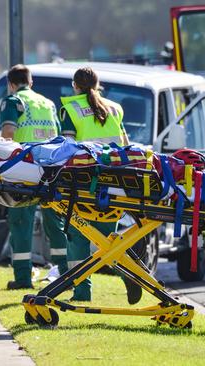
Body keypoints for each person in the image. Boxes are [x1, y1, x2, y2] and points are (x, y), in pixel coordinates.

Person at [59, 66, 141, 303]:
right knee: (108, 240)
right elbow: (125, 145)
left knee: (77, 238)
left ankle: (82, 292)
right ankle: (128, 275)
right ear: (98, 84)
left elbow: (67, 151)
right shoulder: (115, 109)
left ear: (75, 86)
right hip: (114, 183)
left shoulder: (70, 110)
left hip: (83, 183)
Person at [0, 64, 69, 290]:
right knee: (53, 222)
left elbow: (8, 134)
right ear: (31, 82)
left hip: (24, 169)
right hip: (50, 169)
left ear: (11, 84)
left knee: (20, 221)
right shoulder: (48, 104)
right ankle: (66, 274)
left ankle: (22, 278)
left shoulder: (13, 101)